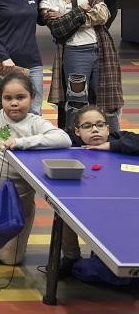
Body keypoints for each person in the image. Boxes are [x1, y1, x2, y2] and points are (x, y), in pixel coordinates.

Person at [0, 73, 71, 265]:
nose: (14, 103)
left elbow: (63, 139)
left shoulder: (35, 123)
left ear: (32, 97)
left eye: (20, 97)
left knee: (11, 260)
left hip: (16, 208)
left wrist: (21, 142)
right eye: (8, 98)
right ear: (0, 98)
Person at [41, 0, 121, 130]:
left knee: (108, 99)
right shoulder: (47, 0)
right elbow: (58, 29)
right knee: (77, 101)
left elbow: (103, 13)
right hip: (74, 52)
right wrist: (80, 10)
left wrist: (68, 16)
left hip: (101, 48)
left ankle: (114, 137)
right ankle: (75, 137)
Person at [60, 106, 139, 274]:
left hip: (117, 202)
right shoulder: (71, 144)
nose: (95, 129)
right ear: (77, 131)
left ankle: (106, 256)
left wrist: (111, 146)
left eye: (100, 125)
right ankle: (71, 256)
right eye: (87, 126)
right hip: (80, 199)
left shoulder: (118, 137)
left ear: (108, 128)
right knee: (62, 212)